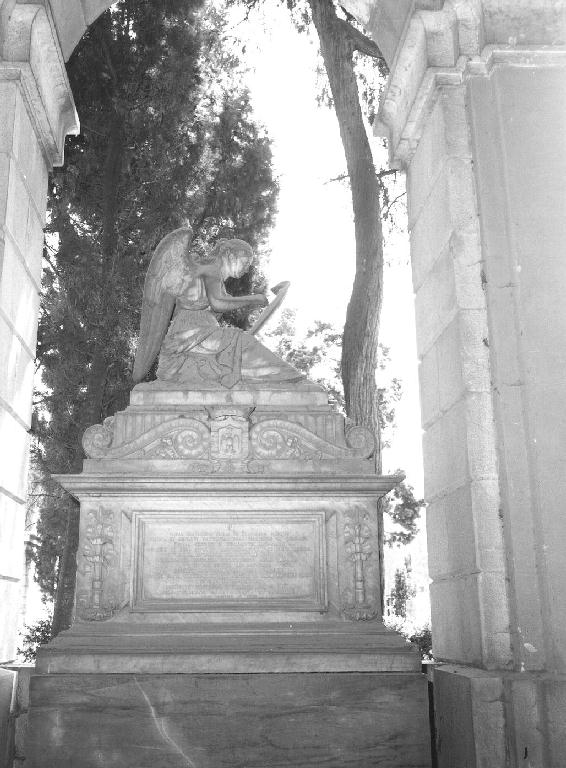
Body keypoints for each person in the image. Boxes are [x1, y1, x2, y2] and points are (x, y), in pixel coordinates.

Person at [133, 228, 303, 388]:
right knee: (243, 342)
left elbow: (218, 303)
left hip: (203, 333)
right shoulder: (211, 271)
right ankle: (289, 378)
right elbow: (218, 303)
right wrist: (254, 299)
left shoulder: (213, 277)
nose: (246, 269)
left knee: (242, 344)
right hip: (190, 334)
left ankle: (287, 378)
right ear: (230, 255)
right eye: (245, 262)